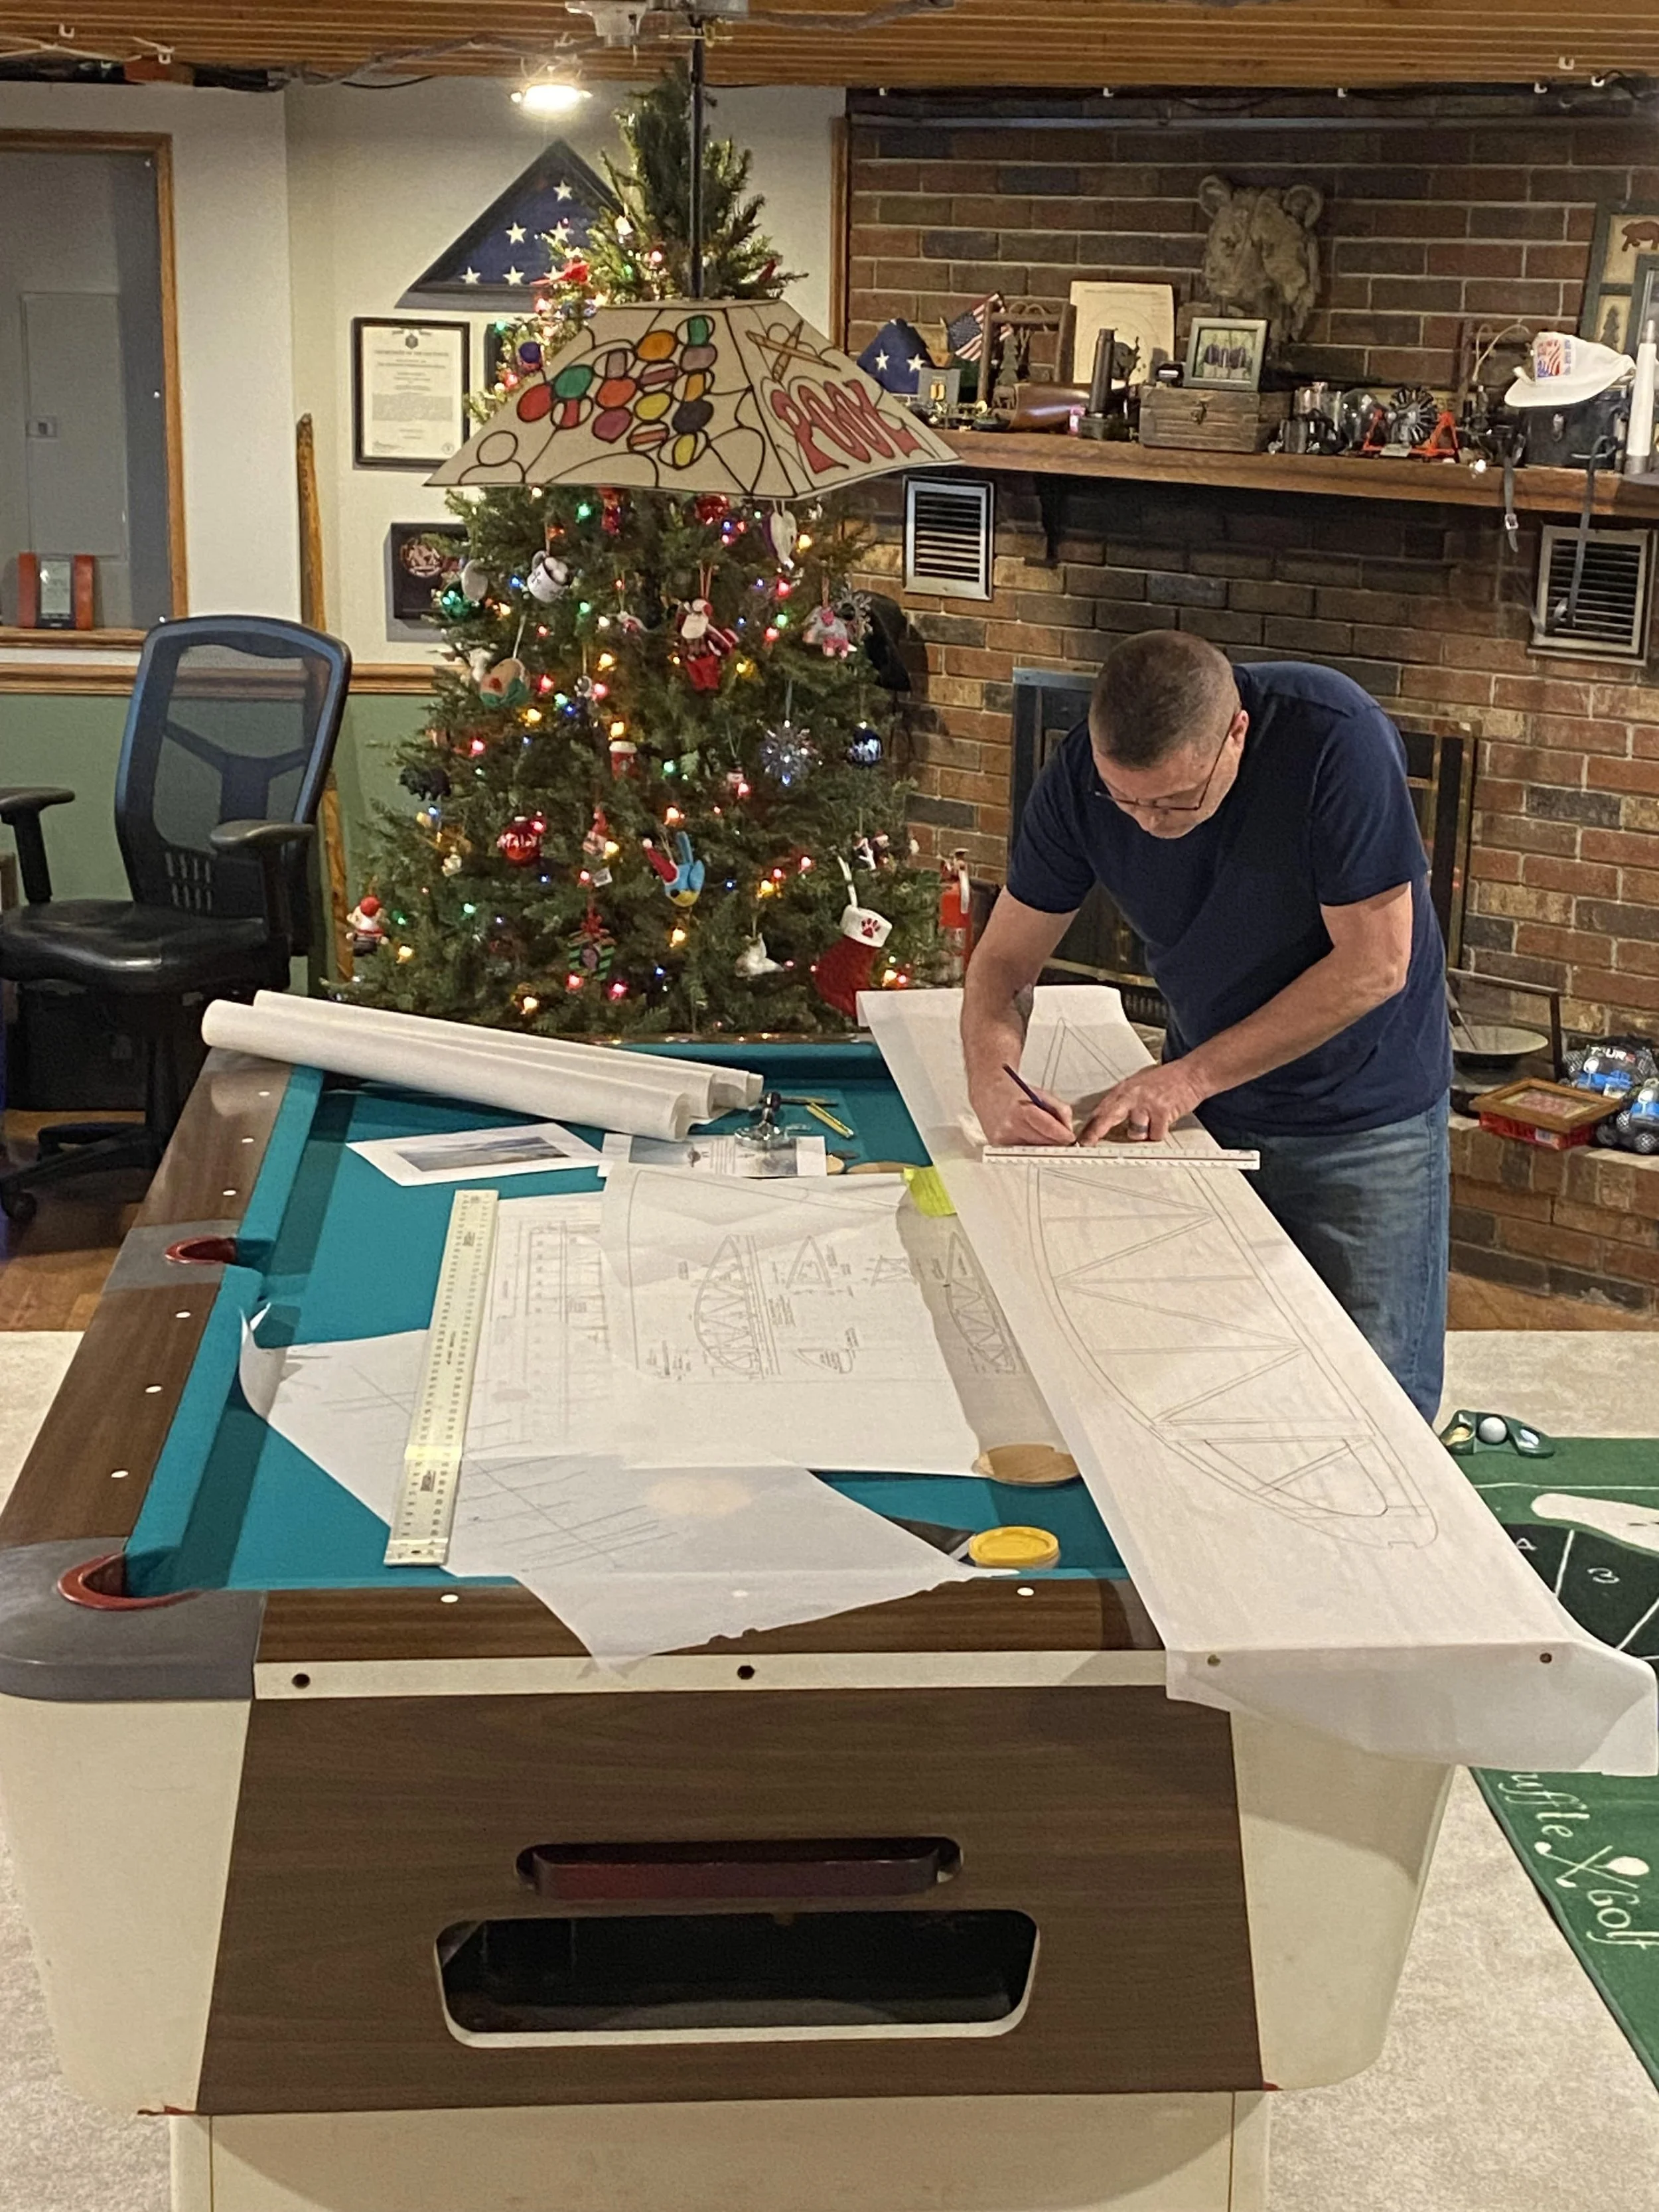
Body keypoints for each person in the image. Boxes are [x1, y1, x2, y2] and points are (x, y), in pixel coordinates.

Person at [962, 631, 1452, 1420]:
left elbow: (1376, 965)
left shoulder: (1336, 738)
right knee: (1216, 1377)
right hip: (1211, 1113)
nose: (1148, 823)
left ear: (1237, 735)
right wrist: (991, 1082)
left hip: (1362, 1118)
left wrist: (1185, 1077)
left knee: (1378, 1408)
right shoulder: (1081, 781)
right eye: (1126, 800)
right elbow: (1001, 967)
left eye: (1174, 800)